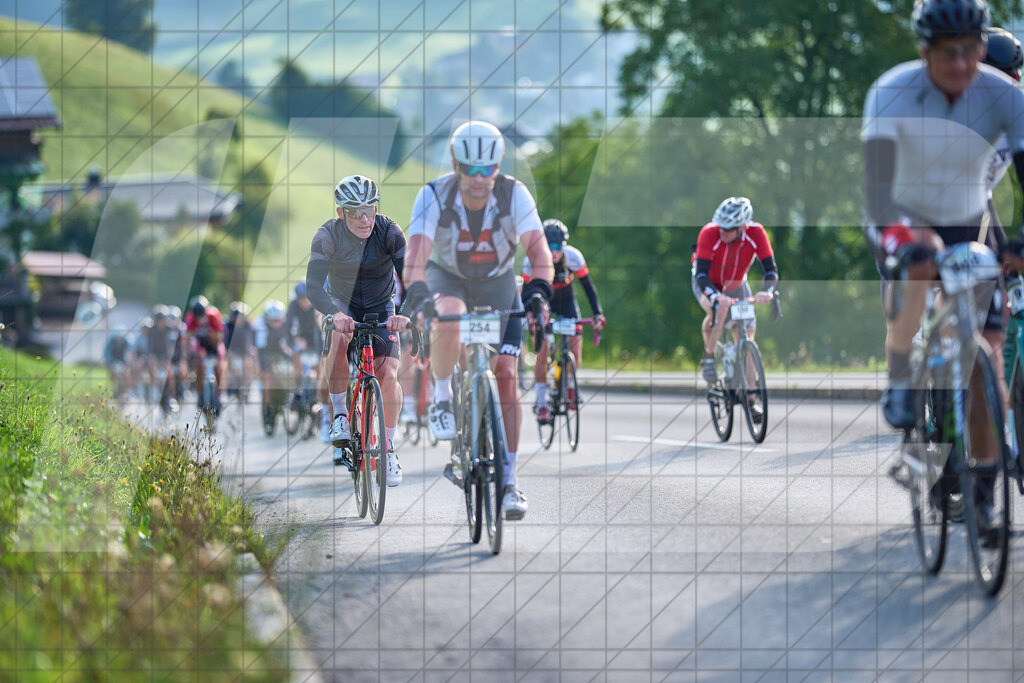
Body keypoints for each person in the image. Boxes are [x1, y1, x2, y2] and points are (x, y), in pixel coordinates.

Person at [862, 0, 1024, 530]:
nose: (962, 66)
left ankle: (980, 485)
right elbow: (879, 194)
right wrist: (902, 241)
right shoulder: (895, 93)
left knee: (984, 352)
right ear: (924, 52)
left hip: (970, 214)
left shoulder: (1005, 97)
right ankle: (902, 378)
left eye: (971, 53)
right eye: (946, 53)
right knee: (921, 268)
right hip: (904, 214)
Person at [402, 120, 554, 520]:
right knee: (449, 315)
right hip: (446, 277)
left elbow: (539, 255)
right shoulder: (434, 194)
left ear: (499, 165)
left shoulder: (513, 193)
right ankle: (441, 396)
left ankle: (509, 481)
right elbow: (415, 256)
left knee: (505, 372)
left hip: (497, 282)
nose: (478, 179)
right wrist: (415, 289)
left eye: (487, 170)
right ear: (454, 163)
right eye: (469, 169)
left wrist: (538, 290)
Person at [305, 174, 409, 487]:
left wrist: (405, 315)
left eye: (370, 210)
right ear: (341, 213)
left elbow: (414, 281)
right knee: (339, 337)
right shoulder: (327, 235)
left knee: (387, 375)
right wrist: (333, 313)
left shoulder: (389, 232)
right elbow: (312, 286)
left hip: (381, 307)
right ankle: (339, 414)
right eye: (355, 212)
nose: (365, 219)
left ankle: (387, 449)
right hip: (342, 305)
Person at [691, 196, 778, 421]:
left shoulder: (757, 233)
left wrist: (767, 291)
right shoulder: (709, 233)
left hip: (737, 285)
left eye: (728, 230)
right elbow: (701, 275)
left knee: (747, 337)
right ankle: (709, 356)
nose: (722, 232)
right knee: (717, 310)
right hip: (707, 284)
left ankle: (752, 399)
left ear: (742, 227)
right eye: (721, 227)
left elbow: (770, 270)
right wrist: (715, 295)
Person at [524, 218, 606, 424]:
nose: (554, 252)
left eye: (558, 247)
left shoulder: (573, 257)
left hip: (567, 301)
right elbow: (526, 291)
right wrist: (531, 316)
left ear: (564, 246)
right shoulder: (531, 260)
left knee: (575, 348)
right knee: (542, 354)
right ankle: (542, 402)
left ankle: (569, 384)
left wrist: (597, 313)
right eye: (549, 247)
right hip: (544, 303)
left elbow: (588, 286)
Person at [287, 282, 332, 441]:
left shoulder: (316, 306)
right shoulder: (293, 307)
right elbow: (288, 329)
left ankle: (317, 400)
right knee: (297, 362)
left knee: (320, 371)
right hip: (300, 342)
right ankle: (295, 390)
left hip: (315, 343)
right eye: (300, 300)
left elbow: (319, 332)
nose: (303, 303)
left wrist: (320, 351)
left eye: (306, 299)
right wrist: (294, 343)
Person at [253, 299, 295, 428]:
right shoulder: (260, 326)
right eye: (273, 320)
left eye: (278, 320)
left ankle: (290, 397)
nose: (276, 323)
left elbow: (291, 344)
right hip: (266, 353)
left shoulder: (288, 325)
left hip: (281, 353)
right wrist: (264, 369)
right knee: (268, 378)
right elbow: (260, 351)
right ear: (267, 319)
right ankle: (267, 410)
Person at [183, 299, 225, 415]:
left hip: (214, 345)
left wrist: (208, 333)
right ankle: (200, 394)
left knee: (218, 367)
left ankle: (220, 395)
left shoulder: (213, 316)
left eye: (202, 315)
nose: (200, 319)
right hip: (200, 347)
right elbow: (186, 340)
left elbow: (219, 338)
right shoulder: (191, 319)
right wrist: (189, 356)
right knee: (199, 367)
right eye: (197, 316)